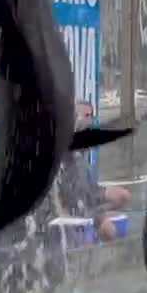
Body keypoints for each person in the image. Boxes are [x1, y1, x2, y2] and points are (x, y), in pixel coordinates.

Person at [51, 103, 132, 242]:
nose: (88, 120)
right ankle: (97, 225)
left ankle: (99, 214)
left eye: (90, 116)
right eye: (85, 116)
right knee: (109, 229)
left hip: (91, 191)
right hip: (76, 201)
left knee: (124, 196)